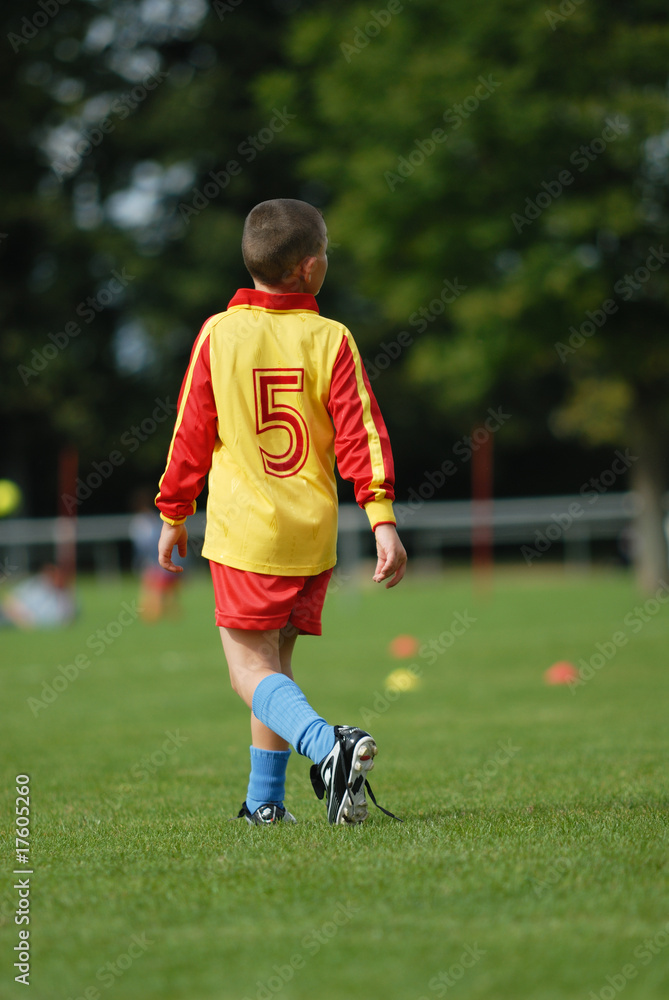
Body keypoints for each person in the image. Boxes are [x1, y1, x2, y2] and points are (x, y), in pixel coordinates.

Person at [156, 198, 407, 826]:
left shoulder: (218, 333)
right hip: (312, 537)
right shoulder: (333, 338)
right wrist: (381, 518)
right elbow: (362, 435)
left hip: (247, 534)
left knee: (247, 670)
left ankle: (328, 747)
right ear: (310, 267)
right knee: (275, 667)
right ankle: (264, 804)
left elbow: (190, 432)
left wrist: (173, 511)